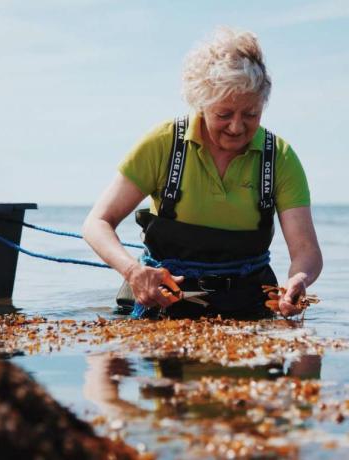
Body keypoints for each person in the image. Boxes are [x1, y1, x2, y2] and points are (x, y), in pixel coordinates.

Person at [83, 27, 322, 319]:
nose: (237, 127)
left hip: (249, 304)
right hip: (164, 302)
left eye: (250, 114)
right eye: (224, 114)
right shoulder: (164, 144)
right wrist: (133, 270)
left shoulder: (280, 158)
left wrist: (300, 278)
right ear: (200, 103)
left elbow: (306, 250)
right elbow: (97, 223)